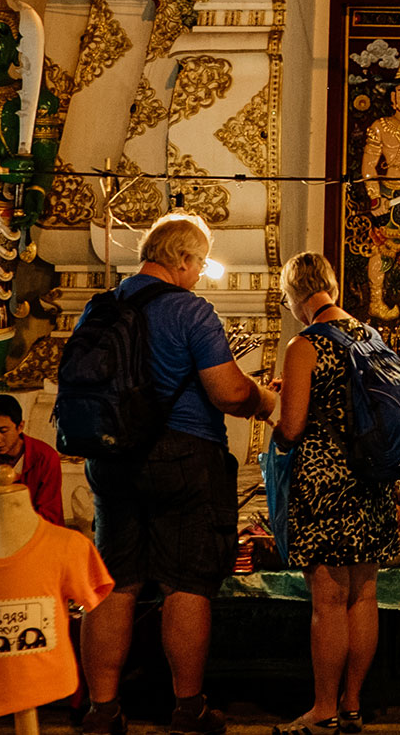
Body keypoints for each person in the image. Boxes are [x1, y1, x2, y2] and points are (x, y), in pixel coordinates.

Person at [78, 212, 278, 735]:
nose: (198, 274)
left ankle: (102, 710)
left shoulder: (98, 309)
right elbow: (228, 391)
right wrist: (266, 398)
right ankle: (188, 707)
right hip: (185, 460)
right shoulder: (191, 311)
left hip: (111, 459)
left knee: (113, 582)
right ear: (183, 259)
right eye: (199, 263)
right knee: (185, 583)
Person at [268, 252, 400, 735]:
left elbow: (293, 426)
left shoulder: (305, 344)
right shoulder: (370, 337)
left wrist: (272, 412)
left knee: (328, 600)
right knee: (364, 594)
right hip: (372, 479)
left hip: (324, 484)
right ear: (330, 287)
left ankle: (322, 708)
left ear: (295, 296)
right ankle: (351, 705)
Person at [0, 395, 64, 534]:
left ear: (20, 426)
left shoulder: (45, 458)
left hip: (38, 537)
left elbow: (49, 515)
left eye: (3, 431)